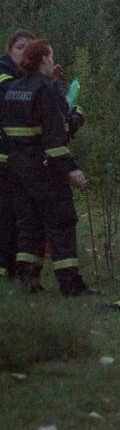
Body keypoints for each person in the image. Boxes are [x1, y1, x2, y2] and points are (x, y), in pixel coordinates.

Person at [0, 38, 92, 295]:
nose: (53, 61)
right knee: (61, 223)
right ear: (42, 59)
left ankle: (28, 279)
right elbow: (55, 139)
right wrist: (71, 169)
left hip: (17, 169)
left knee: (29, 225)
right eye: (50, 57)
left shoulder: (15, 88)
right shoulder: (46, 91)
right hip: (44, 170)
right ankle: (70, 284)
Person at [0, 29, 35, 281]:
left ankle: (10, 265)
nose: (23, 52)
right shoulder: (4, 73)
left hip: (16, 158)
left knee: (16, 212)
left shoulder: (23, 77)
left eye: (28, 48)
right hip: (4, 155)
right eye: (19, 47)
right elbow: (16, 95)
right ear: (9, 50)